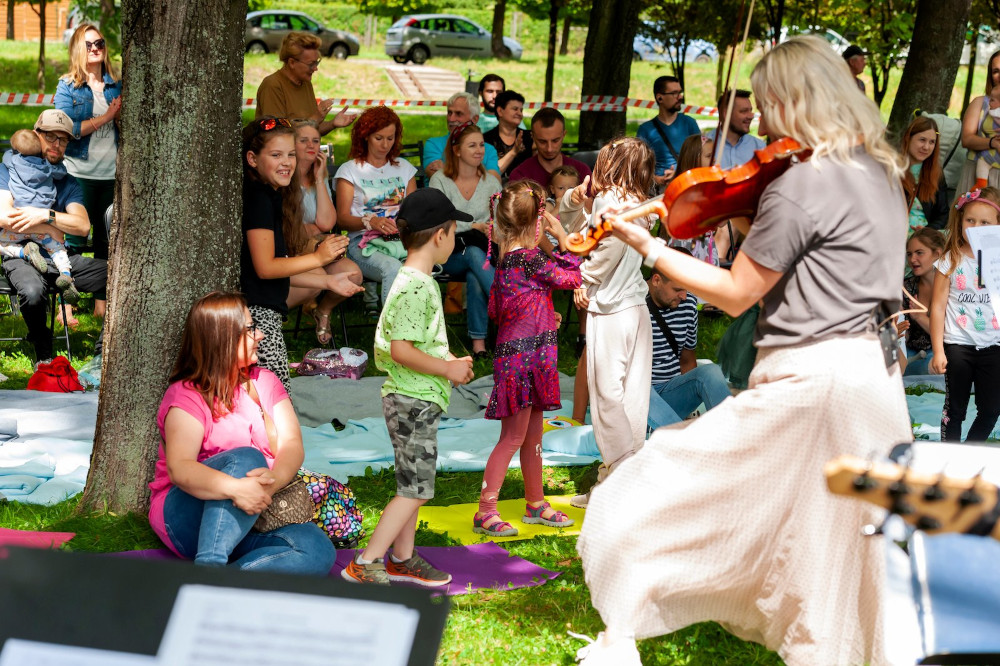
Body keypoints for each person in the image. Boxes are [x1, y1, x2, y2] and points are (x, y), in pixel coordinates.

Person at [574, 36, 912, 666]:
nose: (761, 122)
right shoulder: (883, 172)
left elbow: (735, 294)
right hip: (877, 378)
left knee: (663, 482)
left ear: (790, 99)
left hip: (814, 382)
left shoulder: (801, 184)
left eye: (765, 103)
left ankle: (624, 627)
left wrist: (648, 245)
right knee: (845, 559)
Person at [148, 291, 336, 574]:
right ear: (222, 337)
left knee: (317, 551)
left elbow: (292, 445)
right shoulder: (187, 395)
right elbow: (180, 468)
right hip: (187, 518)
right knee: (246, 458)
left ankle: (225, 585)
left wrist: (270, 483)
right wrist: (237, 489)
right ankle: (208, 569)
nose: (260, 335)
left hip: (254, 514)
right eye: (250, 329)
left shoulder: (265, 381)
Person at [341, 188, 475, 586]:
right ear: (440, 235)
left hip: (414, 398)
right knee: (417, 490)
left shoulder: (414, 279)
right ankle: (366, 563)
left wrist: (448, 361)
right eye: (454, 231)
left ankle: (402, 558)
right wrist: (446, 369)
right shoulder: (417, 285)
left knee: (412, 484)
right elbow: (401, 349)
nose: (455, 239)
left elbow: (415, 341)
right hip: (412, 400)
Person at [472, 180, 582, 536]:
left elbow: (497, 310)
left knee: (532, 438)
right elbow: (572, 277)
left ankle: (536, 502)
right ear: (538, 223)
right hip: (524, 363)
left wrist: (542, 313)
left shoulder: (506, 263)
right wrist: (562, 238)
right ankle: (485, 510)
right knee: (513, 438)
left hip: (527, 360)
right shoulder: (531, 259)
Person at [559, 138, 656, 508]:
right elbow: (583, 235)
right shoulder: (640, 202)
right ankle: (613, 484)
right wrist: (574, 202)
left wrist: (583, 279)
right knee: (632, 398)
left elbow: (605, 248)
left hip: (613, 310)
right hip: (635, 308)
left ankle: (624, 475)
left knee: (607, 397)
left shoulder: (611, 198)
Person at [240, 117, 362, 392]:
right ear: (252, 159)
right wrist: (319, 259)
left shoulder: (270, 194)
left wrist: (328, 281)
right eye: (276, 155)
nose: (286, 162)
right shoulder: (259, 199)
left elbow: (278, 268)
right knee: (275, 400)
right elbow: (265, 268)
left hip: (266, 312)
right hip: (258, 317)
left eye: (290, 155)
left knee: (275, 399)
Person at [0, 110, 108, 361]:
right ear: (36, 134)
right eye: (50, 136)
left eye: (63, 139)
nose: (57, 144)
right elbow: (5, 217)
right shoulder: (8, 170)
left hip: (59, 258)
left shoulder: (67, 182)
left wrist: (45, 215)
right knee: (32, 292)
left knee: (117, 276)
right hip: (20, 254)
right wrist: (51, 229)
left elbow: (82, 226)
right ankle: (44, 355)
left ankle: (103, 356)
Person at [54, 22, 121, 318]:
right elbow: (67, 129)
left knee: (107, 239)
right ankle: (66, 305)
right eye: (89, 44)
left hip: (111, 174)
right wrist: (107, 116)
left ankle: (101, 306)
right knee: (73, 239)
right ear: (77, 50)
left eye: (100, 43)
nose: (95, 49)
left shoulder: (117, 84)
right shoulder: (67, 86)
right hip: (78, 173)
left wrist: (119, 119)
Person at [929, 187, 1000, 441]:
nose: (975, 227)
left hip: (993, 345)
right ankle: (950, 454)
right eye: (970, 220)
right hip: (958, 343)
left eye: (984, 222)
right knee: (955, 409)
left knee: (991, 409)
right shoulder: (950, 260)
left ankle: (969, 450)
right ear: (960, 222)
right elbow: (937, 307)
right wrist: (938, 350)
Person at [428, 122, 501, 358]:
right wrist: (472, 226)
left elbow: (501, 221)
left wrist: (492, 229)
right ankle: (509, 309)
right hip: (446, 254)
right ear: (457, 150)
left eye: (481, 145)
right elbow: (436, 223)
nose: (479, 150)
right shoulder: (440, 180)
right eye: (472, 146)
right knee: (472, 254)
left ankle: (479, 345)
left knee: (475, 272)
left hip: (483, 253)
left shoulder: (491, 183)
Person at [336, 106, 417, 314]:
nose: (385, 145)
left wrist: (402, 226)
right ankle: (391, 329)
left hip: (400, 240)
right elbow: (342, 219)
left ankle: (415, 325)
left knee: (418, 268)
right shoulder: (350, 170)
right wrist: (370, 222)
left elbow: (413, 212)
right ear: (365, 136)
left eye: (390, 138)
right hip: (362, 244)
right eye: (379, 138)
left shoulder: (404, 168)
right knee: (393, 268)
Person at [291, 119, 363, 345]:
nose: (311, 145)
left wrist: (320, 180)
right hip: (293, 252)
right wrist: (311, 229)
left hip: (317, 248)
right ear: (291, 144)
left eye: (316, 141)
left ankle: (322, 310)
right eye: (304, 140)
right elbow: (290, 230)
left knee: (354, 274)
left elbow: (327, 222)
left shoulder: (318, 176)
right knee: (318, 276)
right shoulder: (284, 177)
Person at [645, 264, 732, 431]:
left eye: (687, 288)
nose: (684, 296)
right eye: (678, 289)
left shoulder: (687, 303)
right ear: (656, 280)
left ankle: (733, 436)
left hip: (670, 392)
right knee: (639, 388)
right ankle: (682, 438)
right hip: (637, 398)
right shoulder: (631, 303)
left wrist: (687, 406)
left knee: (711, 372)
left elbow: (687, 360)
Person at [0, 130, 79, 302]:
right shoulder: (48, 168)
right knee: (57, 248)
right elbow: (61, 172)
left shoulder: (12, 162)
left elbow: (6, 159)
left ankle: (24, 253)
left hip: (20, 221)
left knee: (2, 244)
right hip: (42, 221)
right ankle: (66, 274)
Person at [254, 32, 355, 137]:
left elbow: (312, 129)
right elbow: (277, 134)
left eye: (317, 62)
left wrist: (333, 123)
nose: (315, 68)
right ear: (292, 62)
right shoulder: (272, 85)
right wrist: (314, 119)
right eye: (311, 64)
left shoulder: (305, 83)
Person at [636, 76, 701, 188]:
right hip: (657, 190)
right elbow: (638, 167)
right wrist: (656, 179)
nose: (680, 97)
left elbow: (701, 159)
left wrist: (678, 174)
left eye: (680, 92)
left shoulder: (689, 123)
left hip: (686, 185)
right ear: (660, 98)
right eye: (674, 93)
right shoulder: (645, 130)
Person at [422, 92, 501, 181]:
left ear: (475, 119)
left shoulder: (488, 149)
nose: (451, 119)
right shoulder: (433, 144)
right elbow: (437, 179)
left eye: (458, 114)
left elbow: (494, 182)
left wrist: (447, 170)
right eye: (449, 113)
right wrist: (481, 174)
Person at [509, 107, 592, 189]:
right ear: (532, 137)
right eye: (542, 141)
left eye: (555, 141)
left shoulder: (582, 172)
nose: (549, 149)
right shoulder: (520, 176)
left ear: (564, 135)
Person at [902, 227, 945, 375]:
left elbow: (949, 335)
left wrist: (919, 317)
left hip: (940, 352)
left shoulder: (953, 286)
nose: (912, 259)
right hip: (910, 352)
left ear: (937, 254)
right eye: (909, 254)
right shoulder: (906, 287)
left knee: (940, 365)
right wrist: (899, 329)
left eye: (919, 253)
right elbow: (903, 335)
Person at [959, 49, 1000, 192]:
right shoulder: (980, 103)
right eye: (996, 71)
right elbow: (966, 139)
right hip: (977, 174)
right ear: (990, 76)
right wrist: (992, 142)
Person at [900, 116, 948, 231]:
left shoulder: (937, 174)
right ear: (908, 138)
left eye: (932, 142)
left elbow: (943, 214)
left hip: (924, 237)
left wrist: (927, 230)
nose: (926, 147)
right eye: (922, 140)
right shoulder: (891, 169)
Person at [708, 89, 766, 170]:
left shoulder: (759, 147)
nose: (751, 116)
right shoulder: (705, 145)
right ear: (726, 114)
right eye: (744, 111)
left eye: (750, 110)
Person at [483, 90, 532, 180]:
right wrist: (514, 152)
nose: (519, 113)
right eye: (515, 109)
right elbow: (490, 175)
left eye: (521, 110)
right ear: (500, 111)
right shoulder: (486, 139)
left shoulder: (529, 137)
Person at [973, 86, 1000, 190]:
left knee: (983, 161)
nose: (989, 102)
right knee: (983, 161)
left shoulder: (994, 113)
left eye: (992, 100)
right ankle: (981, 182)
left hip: (993, 153)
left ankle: (981, 182)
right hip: (993, 151)